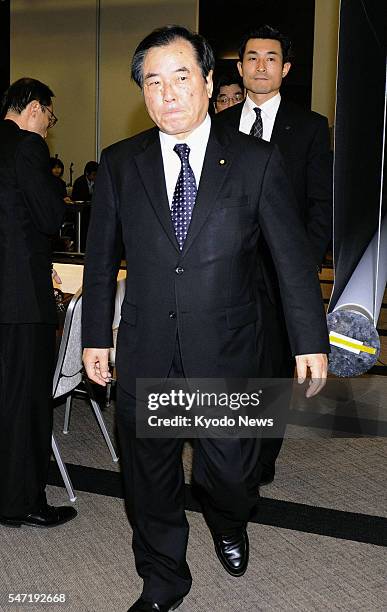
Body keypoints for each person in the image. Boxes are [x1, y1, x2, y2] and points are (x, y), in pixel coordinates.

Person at [82, 25, 329, 612]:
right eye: (153, 82)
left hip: (229, 350)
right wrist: (95, 336)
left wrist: (308, 340)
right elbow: (99, 260)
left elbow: (293, 261)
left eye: (181, 77)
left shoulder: (255, 161)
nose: (168, 93)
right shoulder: (121, 163)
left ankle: (228, 520)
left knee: (233, 476)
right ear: (142, 91)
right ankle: (164, 577)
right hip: (146, 349)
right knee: (149, 479)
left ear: (209, 80)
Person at [215, 24, 333, 486]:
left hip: (284, 273)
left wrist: (304, 263)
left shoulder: (308, 128)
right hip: (228, 270)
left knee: (274, 367)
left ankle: (261, 456)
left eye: (270, 58)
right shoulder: (217, 125)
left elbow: (320, 204)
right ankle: (229, 448)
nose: (260, 65)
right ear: (240, 67)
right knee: (227, 361)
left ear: (285, 68)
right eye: (251, 57)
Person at [0, 78, 77, 527]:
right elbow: (50, 216)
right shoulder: (27, 147)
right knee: (26, 404)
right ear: (33, 108)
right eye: (49, 117)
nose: (48, 127)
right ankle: (22, 502)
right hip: (21, 301)